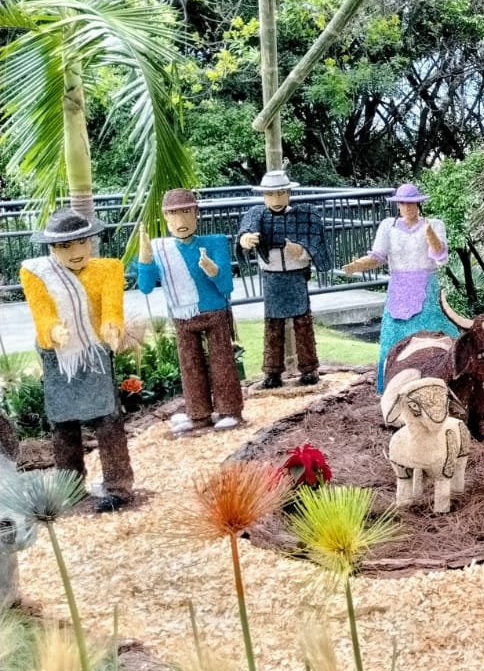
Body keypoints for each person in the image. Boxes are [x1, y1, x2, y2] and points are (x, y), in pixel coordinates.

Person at [19, 209, 135, 510]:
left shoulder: (108, 269)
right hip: (58, 356)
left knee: (108, 419)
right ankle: (70, 489)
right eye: (65, 246)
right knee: (63, 424)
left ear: (91, 240)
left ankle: (119, 488)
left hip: (94, 352)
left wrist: (112, 328)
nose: (76, 251)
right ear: (52, 248)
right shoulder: (35, 273)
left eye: (82, 242)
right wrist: (53, 330)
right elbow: (42, 312)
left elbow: (112, 308)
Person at [138, 188, 244, 432]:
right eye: (173, 214)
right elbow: (145, 286)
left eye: (186, 212)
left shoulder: (215, 243)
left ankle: (230, 410)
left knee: (222, 362)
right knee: (190, 366)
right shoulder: (160, 249)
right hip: (182, 316)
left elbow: (226, 287)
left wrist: (212, 270)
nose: (181, 220)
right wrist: (145, 259)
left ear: (196, 213)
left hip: (214, 312)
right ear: (165, 217)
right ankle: (198, 414)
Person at [341, 182, 457, 393]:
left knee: (430, 333)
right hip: (398, 289)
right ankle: (391, 386)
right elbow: (378, 257)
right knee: (394, 338)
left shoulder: (434, 224)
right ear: (398, 205)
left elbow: (440, 257)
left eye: (412, 203)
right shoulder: (388, 227)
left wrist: (430, 235)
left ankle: (437, 381)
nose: (408, 207)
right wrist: (357, 265)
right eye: (403, 203)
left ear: (419, 204)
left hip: (426, 286)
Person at [237, 169, 332, 388]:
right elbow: (245, 231)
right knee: (273, 326)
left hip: (296, 276)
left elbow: (315, 244)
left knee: (303, 323)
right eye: (270, 194)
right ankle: (272, 372)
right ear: (263, 195)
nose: (276, 199)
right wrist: (245, 239)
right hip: (272, 278)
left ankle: (309, 369)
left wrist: (301, 251)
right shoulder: (256, 215)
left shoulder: (305, 215)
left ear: (289, 193)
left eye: (281, 193)